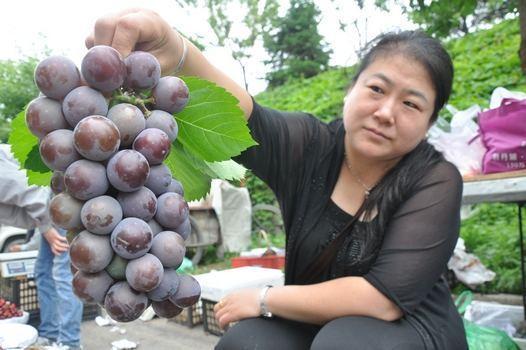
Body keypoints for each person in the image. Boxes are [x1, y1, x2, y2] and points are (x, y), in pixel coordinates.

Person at [87, 9, 467, 349]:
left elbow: (383, 300)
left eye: (411, 104)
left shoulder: (435, 179)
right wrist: (176, 50)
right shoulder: (313, 146)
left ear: (430, 121)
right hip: (319, 321)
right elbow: (245, 117)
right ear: (351, 90)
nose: (386, 112)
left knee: (346, 343)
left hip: (409, 329)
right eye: (377, 89)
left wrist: (265, 297)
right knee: (245, 342)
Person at [0, 146, 83, 350]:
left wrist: (46, 228)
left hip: (61, 204)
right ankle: (50, 333)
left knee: (63, 274)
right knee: (43, 272)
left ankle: (70, 343)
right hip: (48, 210)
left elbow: (31, 190)